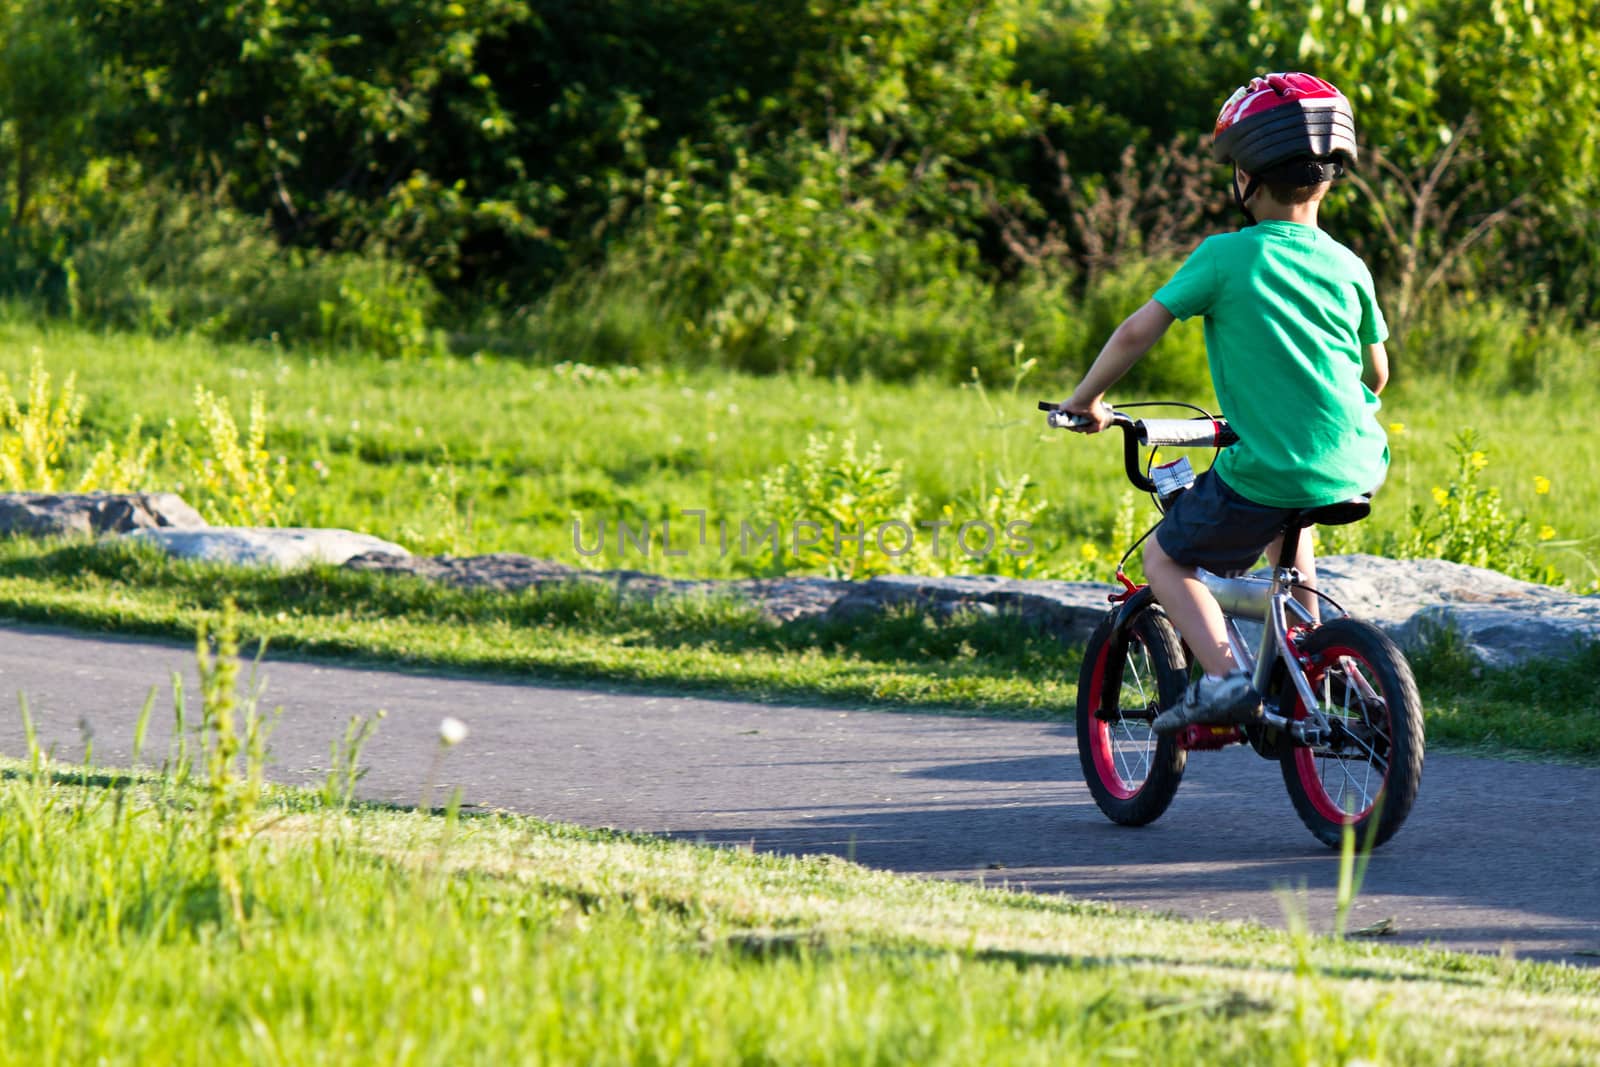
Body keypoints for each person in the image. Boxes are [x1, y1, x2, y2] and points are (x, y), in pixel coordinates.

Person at [1059, 72, 1391, 734]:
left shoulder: (1224, 257)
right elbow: (1376, 374)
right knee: (1290, 556)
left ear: (1250, 177)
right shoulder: (1350, 264)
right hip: (1353, 464)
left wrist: (1085, 400)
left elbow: (1136, 331)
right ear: (1328, 178)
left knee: (1166, 558)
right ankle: (1321, 670)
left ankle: (1227, 677)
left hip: (1268, 466)